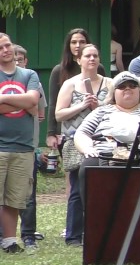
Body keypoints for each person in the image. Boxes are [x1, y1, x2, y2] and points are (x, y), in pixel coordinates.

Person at [73, 71, 140, 252]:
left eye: (132, 86)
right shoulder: (101, 111)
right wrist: (87, 149)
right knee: (87, 168)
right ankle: (95, 219)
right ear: (113, 93)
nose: (127, 90)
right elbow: (82, 133)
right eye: (122, 87)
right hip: (106, 157)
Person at [54, 44, 113, 247]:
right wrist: (82, 105)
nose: (92, 59)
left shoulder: (110, 83)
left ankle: (99, 231)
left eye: (95, 55)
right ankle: (73, 235)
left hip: (105, 142)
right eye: (87, 56)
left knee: (103, 188)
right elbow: (58, 114)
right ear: (79, 60)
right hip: (76, 141)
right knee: (78, 189)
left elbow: (118, 109)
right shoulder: (70, 84)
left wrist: (100, 106)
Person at [0, 34, 42, 253]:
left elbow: (34, 101)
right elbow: (27, 103)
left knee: (14, 197)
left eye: (8, 45)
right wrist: (22, 103)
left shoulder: (29, 74)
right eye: (1, 48)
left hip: (23, 146)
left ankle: (9, 240)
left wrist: (2, 99)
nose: (6, 50)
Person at [13, 44, 48, 249]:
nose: (17, 62)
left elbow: (37, 107)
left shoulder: (32, 80)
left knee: (28, 194)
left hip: (27, 145)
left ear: (26, 61)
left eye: (20, 59)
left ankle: (28, 234)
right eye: (14, 58)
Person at [47, 28, 89, 157]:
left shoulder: (98, 69)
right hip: (66, 129)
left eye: (82, 42)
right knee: (70, 170)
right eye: (74, 42)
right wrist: (51, 133)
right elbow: (53, 103)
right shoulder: (59, 70)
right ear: (68, 45)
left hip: (91, 127)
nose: (78, 45)